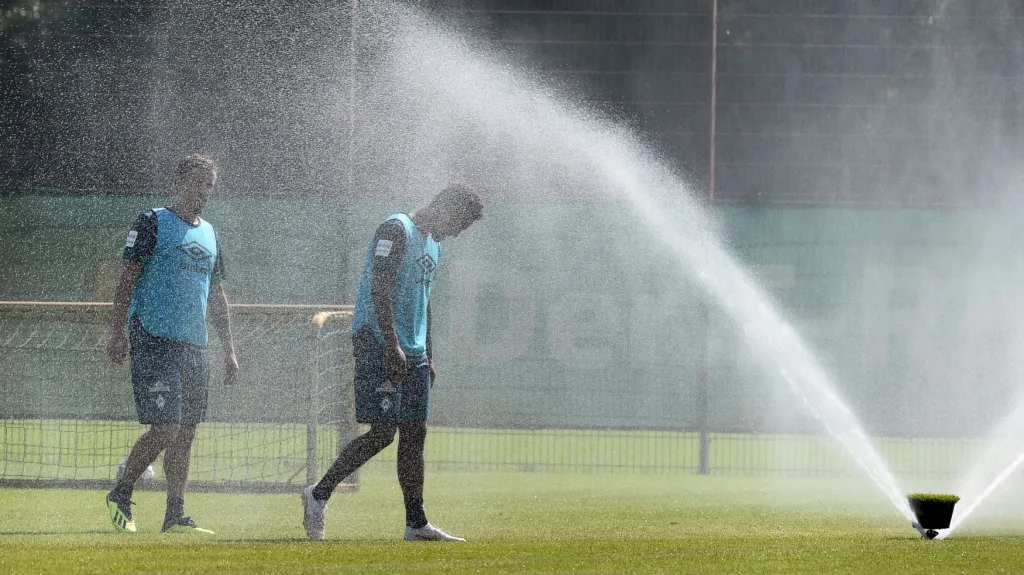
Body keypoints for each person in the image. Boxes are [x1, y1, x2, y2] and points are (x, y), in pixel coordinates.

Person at [301, 184, 484, 541]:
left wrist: (428, 353)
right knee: (384, 432)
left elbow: (424, 298)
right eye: (459, 223)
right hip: (380, 342)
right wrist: (392, 344)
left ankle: (416, 523)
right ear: (445, 206)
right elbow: (380, 289)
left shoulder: (434, 243)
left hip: (413, 351)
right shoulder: (395, 228)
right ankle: (318, 494)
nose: (457, 232)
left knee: (415, 433)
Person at [104, 153, 239, 534]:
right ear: (180, 182)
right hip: (154, 340)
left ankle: (175, 514)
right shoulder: (152, 222)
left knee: (187, 432)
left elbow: (218, 296)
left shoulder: (210, 233)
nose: (204, 192)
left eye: (210, 185)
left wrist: (229, 348)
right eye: (199, 183)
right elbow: (126, 280)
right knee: (166, 427)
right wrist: (117, 331)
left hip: (195, 347)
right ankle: (121, 492)